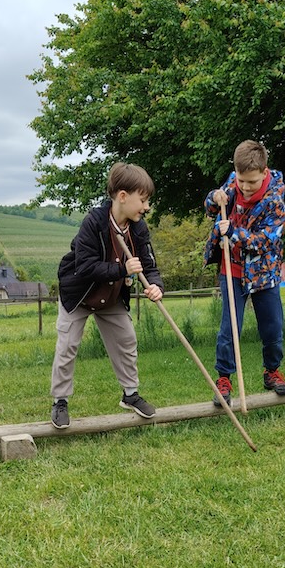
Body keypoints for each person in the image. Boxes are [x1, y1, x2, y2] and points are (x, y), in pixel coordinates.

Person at [50, 162, 164, 427]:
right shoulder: (93, 222)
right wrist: (122, 269)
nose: (146, 207)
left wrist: (156, 285)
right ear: (123, 196)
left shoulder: (138, 228)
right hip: (80, 294)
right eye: (143, 200)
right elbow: (84, 266)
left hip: (111, 296)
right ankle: (60, 401)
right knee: (67, 346)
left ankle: (130, 395)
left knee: (126, 339)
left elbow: (149, 265)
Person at [203, 139, 285, 405]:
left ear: (264, 173)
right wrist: (214, 197)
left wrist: (233, 232)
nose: (245, 187)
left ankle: (272, 372)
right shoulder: (234, 182)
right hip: (231, 268)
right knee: (229, 328)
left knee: (272, 326)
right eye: (241, 180)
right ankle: (224, 379)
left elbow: (265, 241)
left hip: (264, 271)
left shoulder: (275, 202)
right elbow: (211, 208)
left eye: (251, 182)